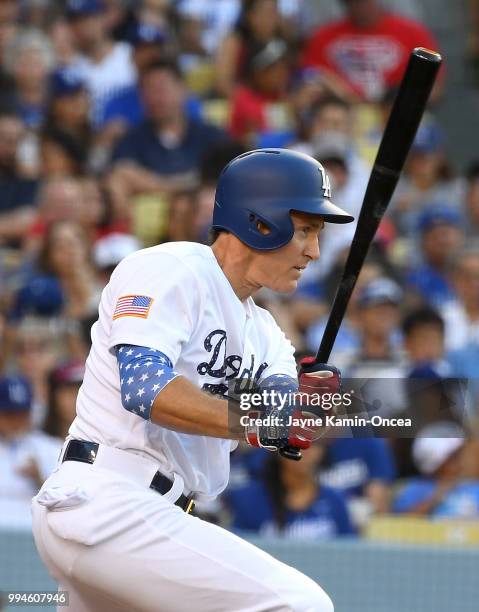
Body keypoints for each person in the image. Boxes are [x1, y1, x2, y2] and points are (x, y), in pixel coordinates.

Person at [31, 149, 354, 611]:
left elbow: (281, 425)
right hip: (108, 497)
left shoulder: (268, 336)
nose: (313, 252)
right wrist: (262, 419)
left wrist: (306, 408)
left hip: (154, 517)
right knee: (298, 604)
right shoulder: (173, 268)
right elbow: (145, 388)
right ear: (259, 221)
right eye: (305, 230)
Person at [301, 0, 441, 102]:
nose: (360, 7)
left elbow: (434, 87)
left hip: (397, 108)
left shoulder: (412, 32)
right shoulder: (324, 36)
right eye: (353, 3)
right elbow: (309, 76)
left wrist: (402, 101)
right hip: (342, 113)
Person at [227, 442, 355, 539]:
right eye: (295, 444)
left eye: (313, 444)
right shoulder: (248, 499)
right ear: (278, 449)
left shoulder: (335, 499)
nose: (305, 452)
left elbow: (347, 551)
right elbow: (240, 550)